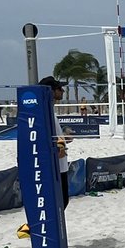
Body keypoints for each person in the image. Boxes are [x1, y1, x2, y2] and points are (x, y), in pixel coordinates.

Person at [38, 77, 71, 210]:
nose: (62, 91)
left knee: (62, 202)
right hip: (54, 166)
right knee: (57, 204)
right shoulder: (43, 111)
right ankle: (28, 230)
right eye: (59, 88)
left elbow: (53, 136)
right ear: (51, 91)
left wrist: (64, 137)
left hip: (61, 165)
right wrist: (57, 148)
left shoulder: (50, 110)